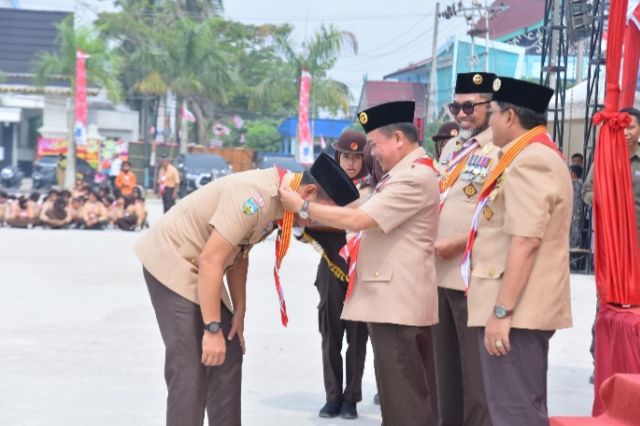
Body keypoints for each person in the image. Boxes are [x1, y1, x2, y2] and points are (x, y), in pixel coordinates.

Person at [135, 153, 359, 426]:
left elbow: (239, 252)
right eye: (314, 214)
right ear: (309, 191)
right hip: (174, 261)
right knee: (191, 364)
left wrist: (238, 310)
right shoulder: (256, 198)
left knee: (229, 355)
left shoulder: (280, 200)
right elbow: (211, 260)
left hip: (205, 267)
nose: (312, 222)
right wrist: (212, 328)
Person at [279, 100, 440, 426]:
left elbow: (359, 218)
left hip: (398, 304)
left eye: (375, 145)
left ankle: (348, 396)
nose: (372, 154)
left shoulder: (413, 177)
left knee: (404, 401)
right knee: (396, 400)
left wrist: (304, 208)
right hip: (389, 300)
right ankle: (335, 394)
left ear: (398, 138)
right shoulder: (398, 175)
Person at [463, 76, 572, 425]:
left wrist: (501, 312)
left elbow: (526, 241)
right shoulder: (528, 154)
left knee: (514, 412)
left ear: (510, 117)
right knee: (514, 407)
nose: (489, 120)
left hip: (517, 311)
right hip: (518, 309)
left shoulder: (530, 160)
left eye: (491, 112)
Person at [432, 72, 497, 426]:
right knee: (446, 379)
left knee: (476, 382)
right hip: (439, 274)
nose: (461, 113)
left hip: (472, 276)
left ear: (490, 106)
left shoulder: (500, 148)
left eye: (470, 106)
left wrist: (458, 243)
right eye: (456, 106)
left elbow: (499, 215)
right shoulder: (454, 147)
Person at [302, 130, 370, 420]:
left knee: (357, 336)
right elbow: (302, 224)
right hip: (331, 267)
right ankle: (333, 396)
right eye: (346, 156)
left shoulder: (375, 187)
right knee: (330, 333)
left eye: (357, 157)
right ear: (337, 157)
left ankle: (351, 399)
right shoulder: (320, 187)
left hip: (363, 270)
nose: (352, 163)